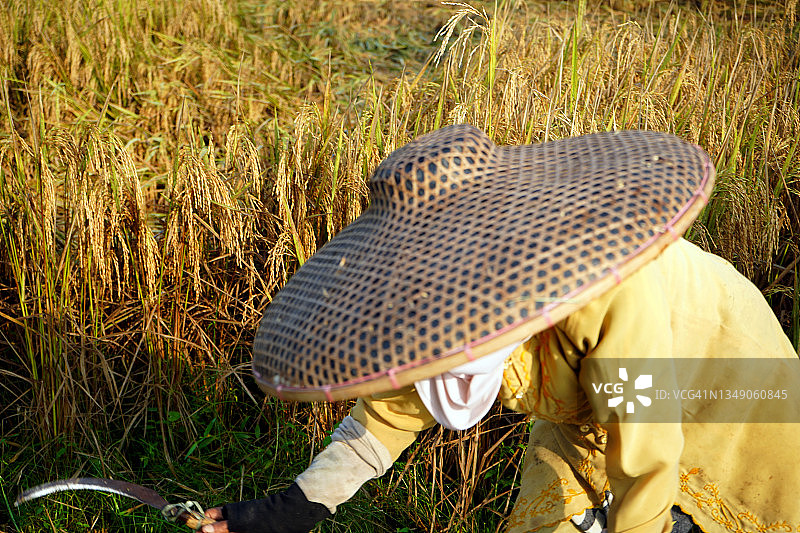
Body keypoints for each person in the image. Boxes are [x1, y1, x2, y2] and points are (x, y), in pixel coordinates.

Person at [201, 125, 800, 533]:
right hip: (591, 415)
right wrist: (292, 509)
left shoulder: (609, 293)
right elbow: (387, 416)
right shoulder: (435, 299)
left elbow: (645, 455)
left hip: (723, 394)